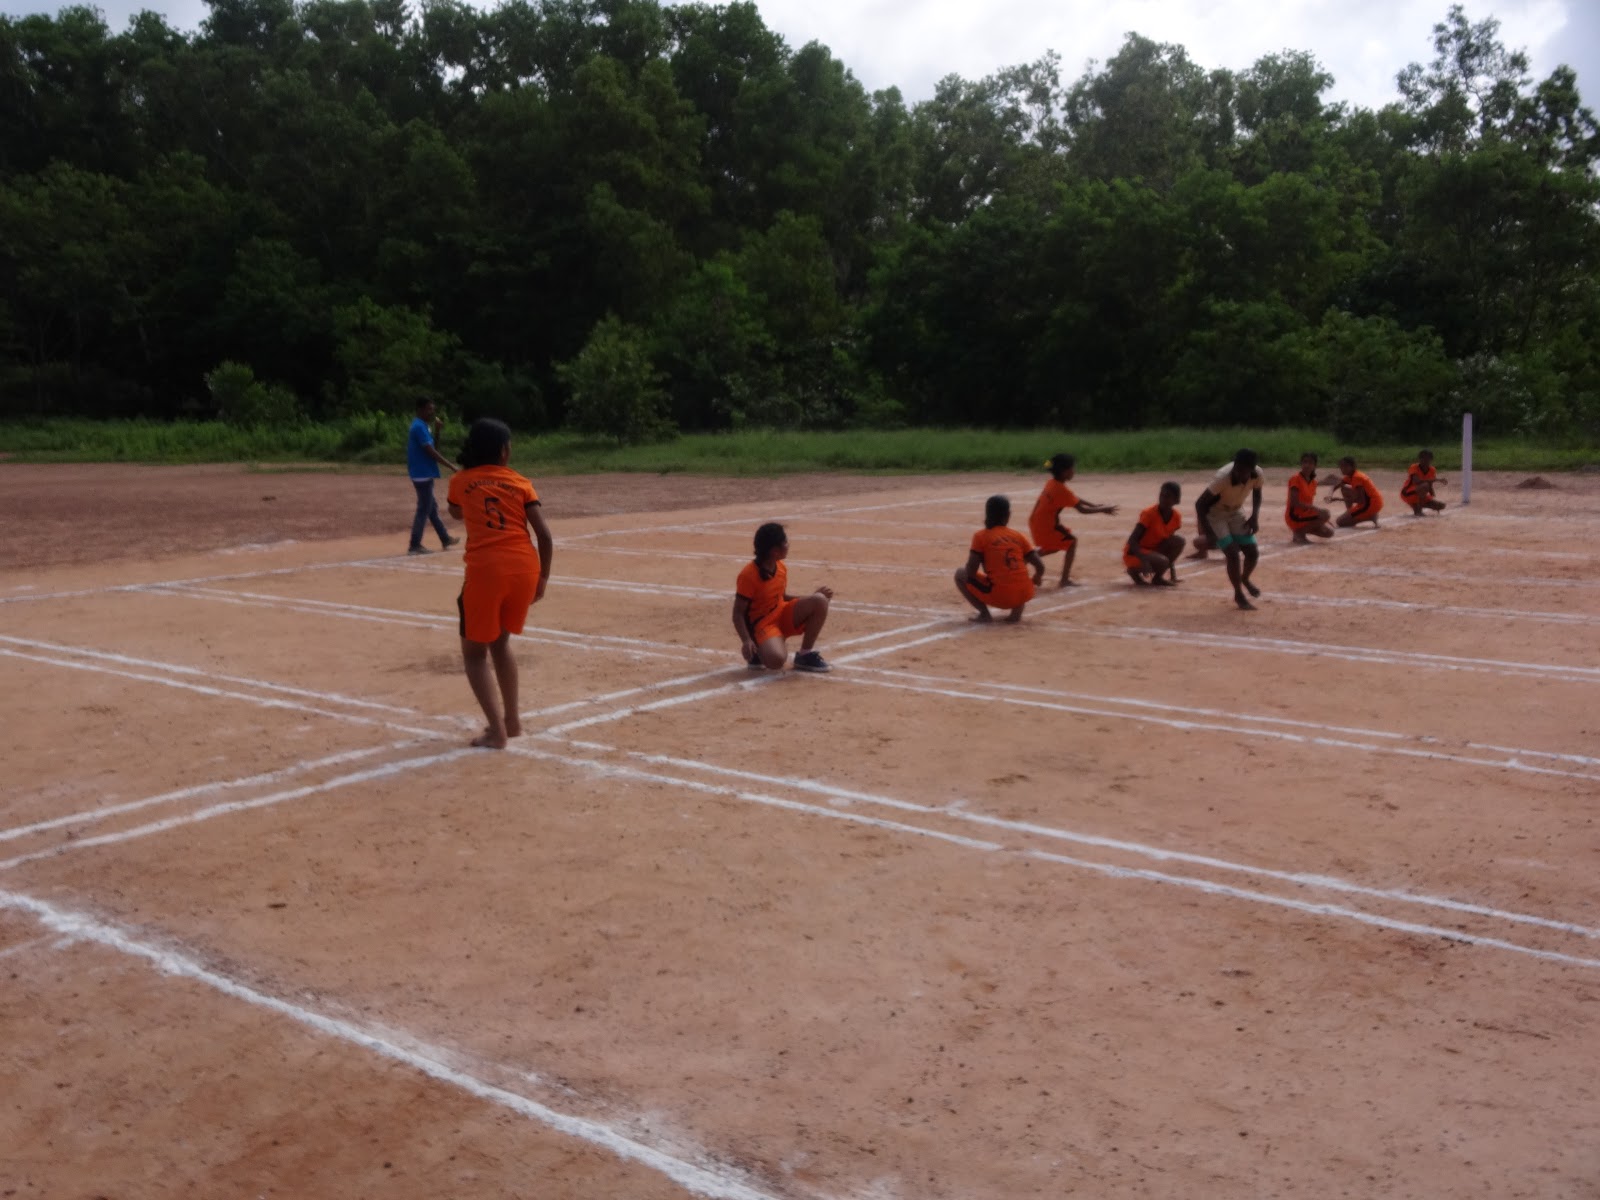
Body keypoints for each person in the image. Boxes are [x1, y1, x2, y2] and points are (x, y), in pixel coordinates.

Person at [445, 418, 553, 749]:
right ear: (504, 452)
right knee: (501, 644)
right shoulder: (521, 483)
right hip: (525, 569)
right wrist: (543, 578)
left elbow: (455, 513)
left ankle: (496, 731)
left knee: (474, 655)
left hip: (487, 572)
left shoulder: (460, 481)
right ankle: (512, 722)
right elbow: (545, 536)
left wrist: (469, 480)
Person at [733, 523, 834, 672]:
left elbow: (783, 597)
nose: (788, 545)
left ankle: (805, 654)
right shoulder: (748, 576)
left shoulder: (780, 567)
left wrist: (811, 599)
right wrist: (747, 640)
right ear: (775, 551)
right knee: (777, 660)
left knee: (820, 601)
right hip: (763, 625)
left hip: (782, 613)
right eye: (785, 542)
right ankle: (758, 650)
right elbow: (738, 613)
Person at [1027, 452, 1119, 587]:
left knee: (1055, 546)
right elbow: (1082, 510)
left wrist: (1095, 505)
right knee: (1071, 542)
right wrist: (1102, 509)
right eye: (1072, 468)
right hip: (1046, 526)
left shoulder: (1053, 483)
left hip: (1037, 522)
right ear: (1065, 472)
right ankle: (1064, 580)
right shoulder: (1060, 489)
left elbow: (1073, 498)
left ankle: (1028, 557)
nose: (1074, 471)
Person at [1192, 448, 1265, 610]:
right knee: (1232, 554)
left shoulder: (1258, 474)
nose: (1239, 473)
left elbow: (1257, 493)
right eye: (1237, 469)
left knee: (1252, 552)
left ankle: (1244, 578)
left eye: (1243, 471)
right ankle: (1238, 594)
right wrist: (1208, 532)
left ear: (1251, 469)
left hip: (1236, 511)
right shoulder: (1223, 478)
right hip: (1216, 514)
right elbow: (1200, 504)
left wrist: (1254, 516)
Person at [956, 495, 1046, 621]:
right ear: (1008, 515)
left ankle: (984, 614)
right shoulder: (1018, 536)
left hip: (1000, 596)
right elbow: (1040, 566)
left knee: (960, 574)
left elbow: (971, 571)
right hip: (1025, 593)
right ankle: (1015, 614)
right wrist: (1037, 577)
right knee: (1018, 570)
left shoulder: (980, 536)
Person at [407, 399, 459, 555]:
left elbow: (433, 447)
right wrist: (451, 466)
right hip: (421, 472)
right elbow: (431, 452)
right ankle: (414, 544)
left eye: (432, 409)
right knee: (424, 508)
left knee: (431, 508)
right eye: (429, 409)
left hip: (424, 471)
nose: (432, 412)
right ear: (420, 409)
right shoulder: (418, 427)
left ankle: (445, 538)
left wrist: (437, 431)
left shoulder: (424, 426)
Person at [1121, 482, 1185, 586]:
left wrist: (1173, 574)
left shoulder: (1176, 517)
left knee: (1179, 541)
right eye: (1161, 495)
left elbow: (1169, 543)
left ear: (1176, 500)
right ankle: (1133, 571)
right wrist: (1144, 560)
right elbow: (1132, 541)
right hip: (1135, 552)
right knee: (1162, 561)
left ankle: (1158, 578)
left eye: (1167, 496)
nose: (1163, 499)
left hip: (1153, 550)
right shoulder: (1149, 514)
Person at [1285, 452, 1335, 543]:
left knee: (1329, 532)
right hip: (1294, 516)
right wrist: (1317, 511)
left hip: (1305, 514)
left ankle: (1301, 530)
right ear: (1301, 464)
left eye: (1310, 463)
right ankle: (1299, 533)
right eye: (1305, 462)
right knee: (1326, 514)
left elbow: (1308, 502)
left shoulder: (1313, 482)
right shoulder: (1295, 479)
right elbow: (1294, 503)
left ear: (1315, 466)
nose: (1307, 465)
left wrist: (1321, 519)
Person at [1329, 457, 1384, 527]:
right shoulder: (1350, 476)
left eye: (1345, 466)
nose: (1342, 469)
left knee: (1340, 522)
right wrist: (1330, 494)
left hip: (1370, 504)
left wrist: (1338, 499)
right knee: (1344, 488)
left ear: (1352, 467)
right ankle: (1352, 513)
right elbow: (1337, 485)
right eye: (1341, 466)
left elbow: (1360, 500)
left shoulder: (1357, 477)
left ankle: (1370, 517)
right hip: (1370, 502)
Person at [1401, 449, 1448, 516]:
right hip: (1408, 493)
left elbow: (1430, 485)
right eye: (1422, 458)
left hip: (1420, 493)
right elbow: (1416, 481)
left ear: (1431, 460)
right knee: (1424, 486)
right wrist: (1437, 480)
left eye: (1427, 459)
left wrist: (1431, 496)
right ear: (1419, 459)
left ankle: (1416, 505)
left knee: (1441, 505)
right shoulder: (1414, 467)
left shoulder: (1432, 469)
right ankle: (1418, 510)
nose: (1425, 461)